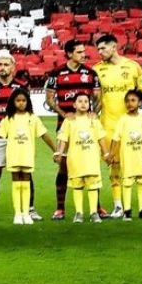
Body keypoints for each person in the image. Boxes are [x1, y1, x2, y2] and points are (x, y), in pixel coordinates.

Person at [0, 87, 57, 225]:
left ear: (28, 102)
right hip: (14, 154)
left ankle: (26, 213)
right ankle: (18, 213)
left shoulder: (33, 118)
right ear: (12, 102)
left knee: (26, 181)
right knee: (16, 182)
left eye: (23, 100)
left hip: (27, 154)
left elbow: (45, 136)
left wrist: (56, 150)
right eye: (18, 100)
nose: (21, 103)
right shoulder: (9, 119)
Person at [93, 34, 142, 218]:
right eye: (98, 49)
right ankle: (119, 206)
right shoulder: (96, 70)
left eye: (103, 48)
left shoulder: (133, 67)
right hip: (109, 126)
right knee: (114, 167)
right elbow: (97, 100)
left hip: (133, 126)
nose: (100, 52)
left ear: (113, 46)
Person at [44, 39, 101, 219]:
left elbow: (99, 98)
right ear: (69, 54)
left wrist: (94, 113)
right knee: (64, 167)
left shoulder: (91, 73)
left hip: (88, 127)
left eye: (84, 51)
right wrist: (63, 113)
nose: (84, 54)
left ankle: (96, 208)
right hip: (66, 127)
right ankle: (60, 208)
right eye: (79, 52)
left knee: (91, 167)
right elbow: (50, 99)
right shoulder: (56, 74)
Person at [0, 51, 36, 221]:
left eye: (5, 64)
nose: (2, 68)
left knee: (24, 171)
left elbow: (29, 111)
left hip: (18, 137)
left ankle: (30, 209)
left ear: (13, 67)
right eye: (0, 65)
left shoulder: (21, 87)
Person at [54, 93, 109, 222]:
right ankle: (79, 213)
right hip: (75, 159)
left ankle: (93, 212)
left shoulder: (94, 120)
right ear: (74, 104)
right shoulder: (69, 121)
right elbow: (63, 139)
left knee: (93, 185)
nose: (83, 103)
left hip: (91, 159)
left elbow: (101, 138)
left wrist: (106, 154)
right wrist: (59, 153)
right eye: (80, 101)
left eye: (86, 101)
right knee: (77, 185)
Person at [108, 89, 142, 221]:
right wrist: (111, 154)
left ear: (140, 103)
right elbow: (116, 138)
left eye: (133, 100)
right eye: (127, 101)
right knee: (127, 182)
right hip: (128, 158)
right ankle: (127, 211)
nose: (129, 103)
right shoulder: (123, 120)